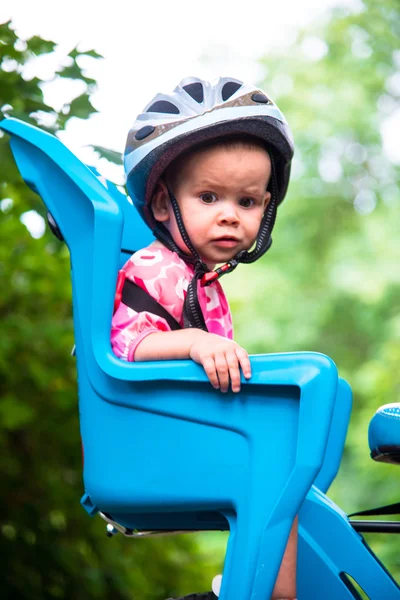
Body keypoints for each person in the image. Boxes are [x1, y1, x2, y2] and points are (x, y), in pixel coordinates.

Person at [111, 76, 297, 600]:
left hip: (185, 433)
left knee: (291, 477)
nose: (229, 215)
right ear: (166, 206)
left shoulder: (202, 283)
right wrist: (196, 344)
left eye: (247, 201)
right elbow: (130, 345)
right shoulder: (156, 267)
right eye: (209, 196)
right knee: (279, 471)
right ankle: (258, 590)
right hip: (151, 437)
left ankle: (251, 586)